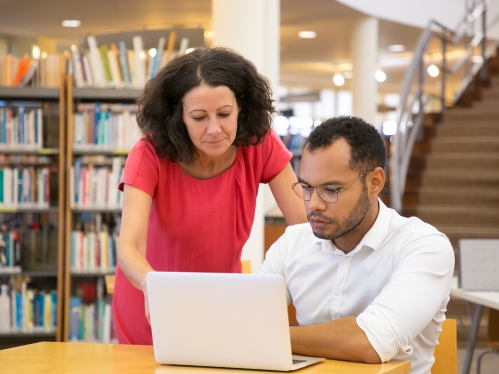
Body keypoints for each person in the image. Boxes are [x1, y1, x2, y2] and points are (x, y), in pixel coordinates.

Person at [114, 47, 307, 345]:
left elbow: (304, 225)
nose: (214, 129)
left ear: (241, 107)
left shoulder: (259, 142)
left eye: (225, 114)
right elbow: (129, 247)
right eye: (199, 117)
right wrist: (153, 287)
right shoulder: (149, 153)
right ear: (178, 116)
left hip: (220, 304)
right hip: (152, 304)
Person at [260, 116, 454, 373]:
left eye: (331, 190)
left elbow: (370, 343)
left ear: (374, 182)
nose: (313, 204)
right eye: (307, 187)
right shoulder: (292, 243)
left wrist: (272, 338)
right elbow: (249, 323)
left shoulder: (423, 246)